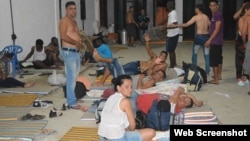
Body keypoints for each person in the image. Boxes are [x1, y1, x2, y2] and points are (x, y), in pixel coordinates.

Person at [98, 75, 156, 141]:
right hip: (116, 138)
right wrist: (131, 130)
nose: (130, 89)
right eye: (127, 87)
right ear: (118, 88)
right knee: (151, 132)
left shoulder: (111, 98)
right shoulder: (125, 101)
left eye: (131, 87)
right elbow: (132, 125)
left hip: (102, 137)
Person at [59, 1, 87, 110]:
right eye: (71, 8)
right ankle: (71, 102)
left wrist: (80, 42)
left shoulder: (74, 22)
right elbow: (63, 36)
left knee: (74, 77)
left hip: (75, 52)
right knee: (71, 78)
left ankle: (73, 97)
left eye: (75, 8)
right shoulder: (64, 21)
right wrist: (75, 43)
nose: (74, 11)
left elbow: (76, 35)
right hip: (68, 52)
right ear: (66, 9)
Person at [169, 4, 210, 74]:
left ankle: (194, 69)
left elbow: (186, 24)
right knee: (206, 55)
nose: (194, 10)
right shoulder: (206, 17)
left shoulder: (196, 17)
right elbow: (211, 25)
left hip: (199, 37)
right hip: (206, 36)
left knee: (195, 54)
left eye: (195, 8)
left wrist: (175, 25)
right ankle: (207, 71)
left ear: (198, 9)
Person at [205, 0, 224, 85]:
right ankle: (218, 76)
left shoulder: (217, 15)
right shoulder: (214, 15)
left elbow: (217, 29)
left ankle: (216, 79)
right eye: (211, 6)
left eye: (214, 5)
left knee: (214, 60)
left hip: (215, 41)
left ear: (217, 6)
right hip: (217, 41)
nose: (212, 7)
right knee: (219, 59)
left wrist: (209, 40)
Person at [234, 3, 250, 87]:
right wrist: (244, 43)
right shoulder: (241, 19)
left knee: (246, 59)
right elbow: (243, 33)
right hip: (240, 40)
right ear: (246, 10)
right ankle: (239, 77)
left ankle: (245, 77)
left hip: (247, 39)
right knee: (240, 59)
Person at [166, 0, 180, 68]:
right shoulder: (172, 12)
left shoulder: (172, 13)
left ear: (169, 6)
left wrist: (166, 27)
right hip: (173, 34)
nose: (167, 6)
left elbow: (175, 24)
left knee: (170, 50)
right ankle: (174, 63)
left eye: (168, 5)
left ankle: (172, 65)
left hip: (172, 34)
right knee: (172, 50)